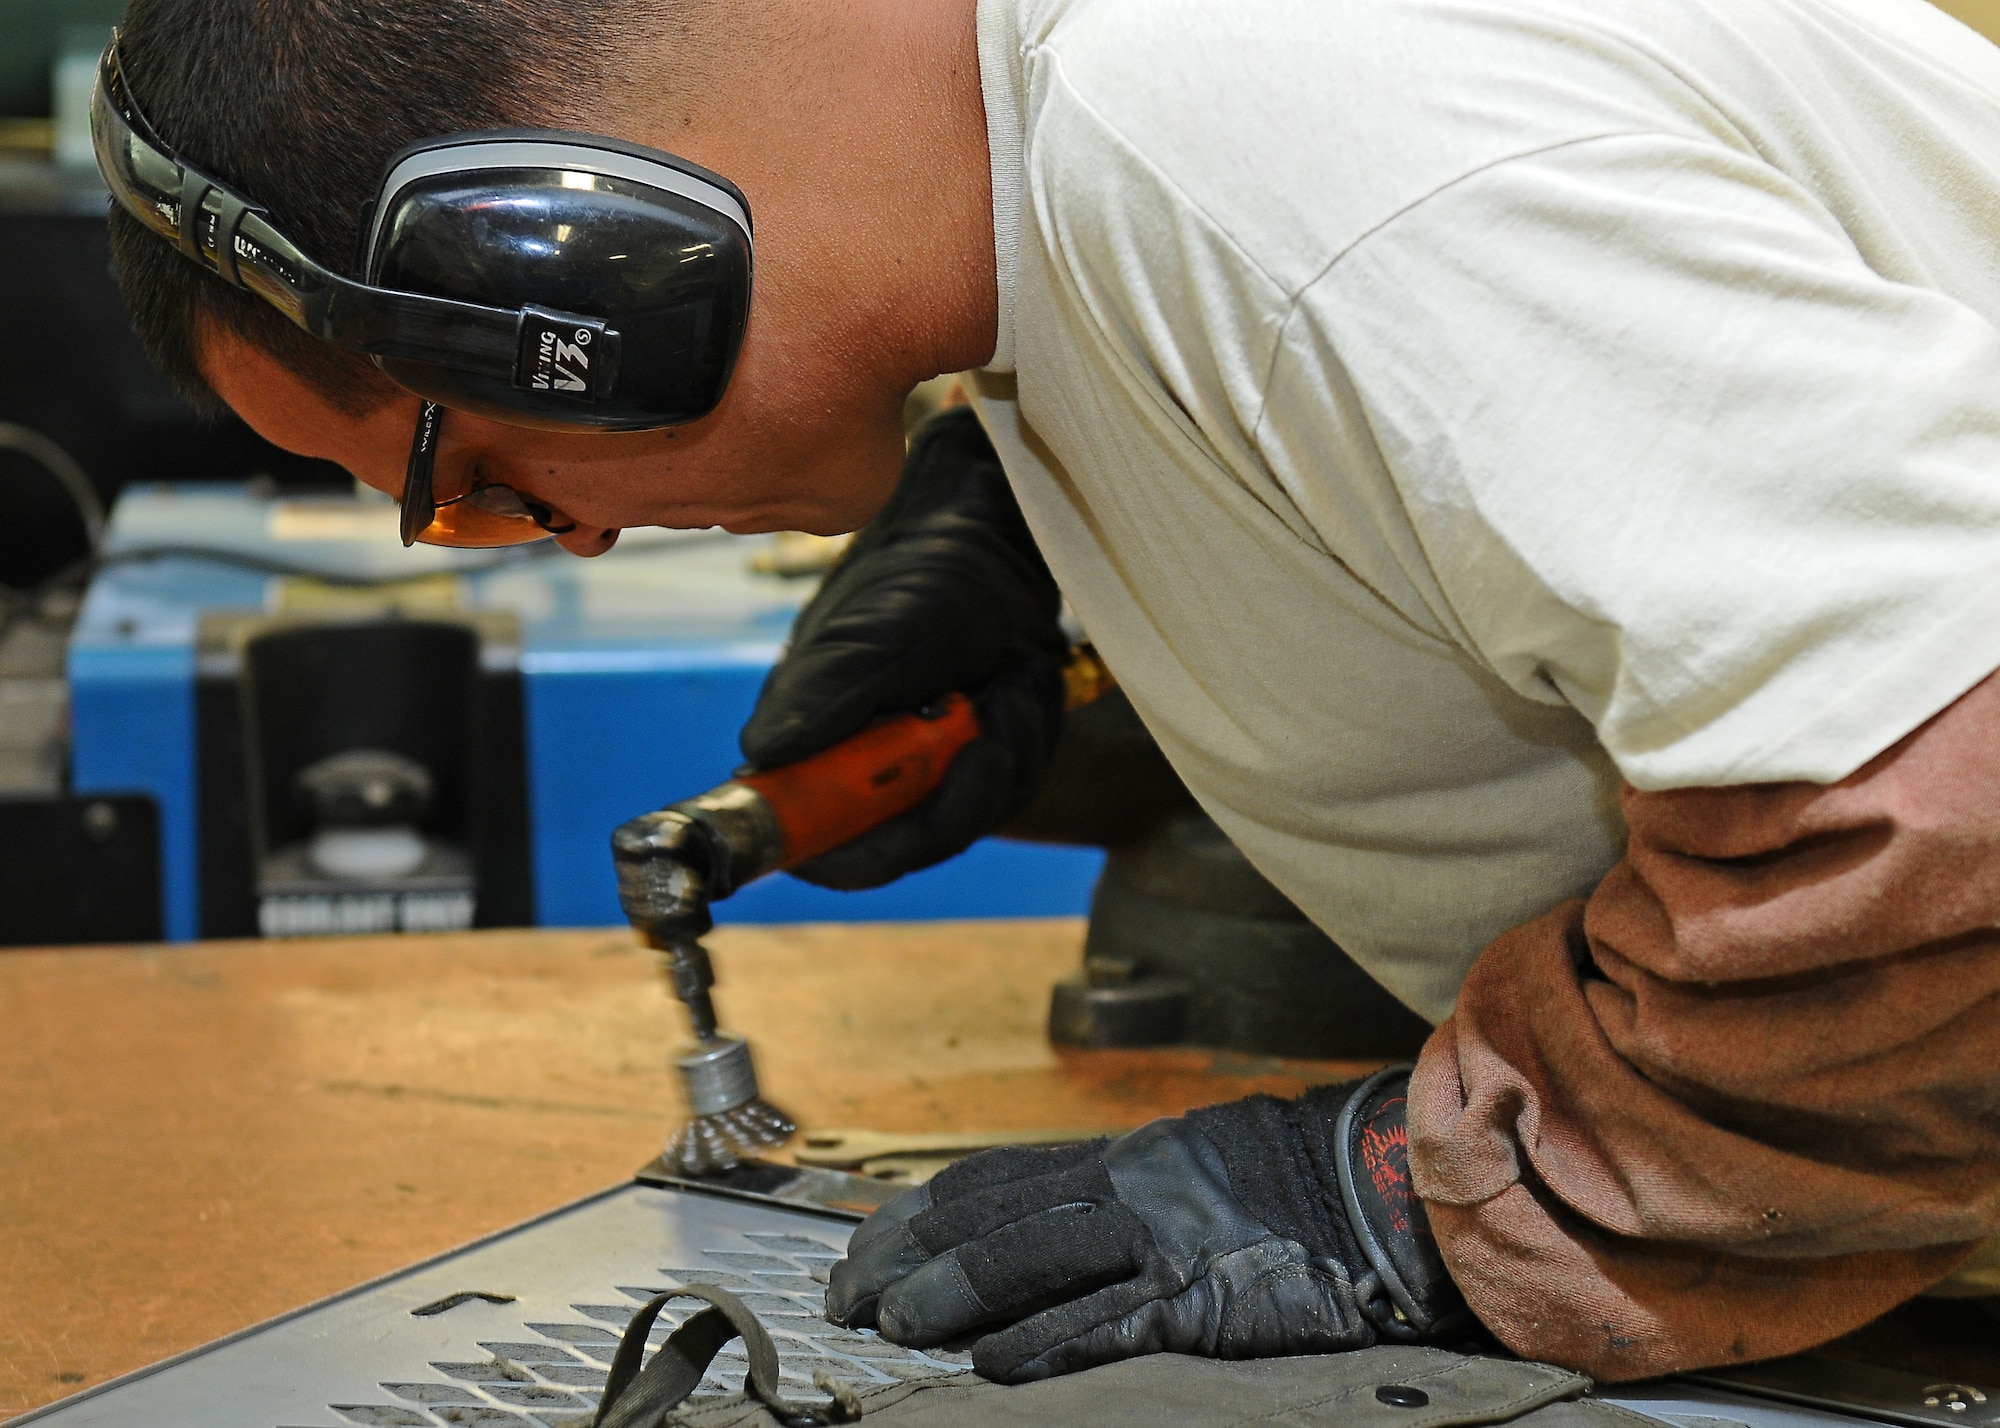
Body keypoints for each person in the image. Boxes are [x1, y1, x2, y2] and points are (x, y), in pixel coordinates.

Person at [101, 0, 2000, 1386]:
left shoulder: (1245, 119)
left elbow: (1950, 788)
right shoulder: (1084, 166)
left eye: (468, 474)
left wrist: (1444, 1200)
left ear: (579, 257)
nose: (546, 541)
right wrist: (1121, 566)